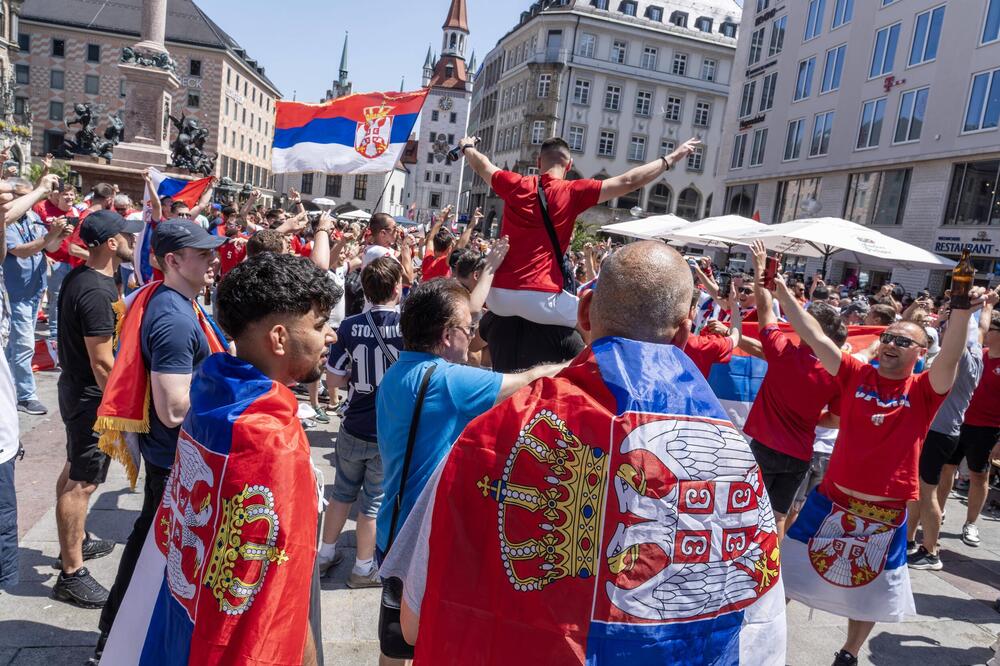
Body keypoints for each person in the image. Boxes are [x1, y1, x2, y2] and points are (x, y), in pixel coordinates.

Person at [380, 241, 785, 664]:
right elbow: (759, 627)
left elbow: (413, 622)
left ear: (585, 309)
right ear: (685, 332)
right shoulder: (733, 458)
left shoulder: (493, 436)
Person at [101, 253, 338, 665]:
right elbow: (279, 586)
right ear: (279, 338)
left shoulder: (212, 390)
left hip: (188, 609)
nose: (330, 335)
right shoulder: (272, 437)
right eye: (319, 325)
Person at [776, 269, 983, 666]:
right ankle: (770, 628)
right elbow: (817, 337)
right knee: (791, 565)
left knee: (870, 588)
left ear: (920, 353)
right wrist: (785, 295)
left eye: (903, 341)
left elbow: (952, 356)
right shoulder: (855, 374)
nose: (890, 344)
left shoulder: (924, 390)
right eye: (888, 337)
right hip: (831, 501)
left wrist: (959, 314)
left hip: (883, 513)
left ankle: (849, 653)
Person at [94, 219, 227, 660]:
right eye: (203, 253)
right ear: (172, 260)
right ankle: (117, 637)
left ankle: (117, 635)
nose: (214, 259)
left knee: (152, 546)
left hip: (172, 457)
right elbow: (173, 408)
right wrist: (237, 406)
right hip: (174, 460)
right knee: (156, 552)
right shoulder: (172, 317)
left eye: (214, 251)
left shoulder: (174, 301)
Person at [374, 278, 568, 563]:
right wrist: (592, 357)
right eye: (469, 329)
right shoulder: (447, 381)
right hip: (422, 539)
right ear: (448, 335)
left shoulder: (397, 371)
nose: (473, 335)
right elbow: (530, 379)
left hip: (392, 530)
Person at [459, 134, 699, 328]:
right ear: (569, 165)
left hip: (498, 296)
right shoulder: (573, 191)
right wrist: (672, 158)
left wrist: (468, 146)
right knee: (598, 323)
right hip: (542, 297)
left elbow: (482, 166)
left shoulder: (515, 184)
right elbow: (629, 182)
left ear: (537, 162)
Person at [51, 210, 143, 608]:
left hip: (79, 391)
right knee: (83, 484)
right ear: (110, 244)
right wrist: (120, 408)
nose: (132, 240)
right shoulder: (93, 290)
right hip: (91, 397)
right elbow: (102, 361)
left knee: (75, 468)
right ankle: (71, 574)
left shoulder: (102, 278)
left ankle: (76, 542)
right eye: (126, 235)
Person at [742, 242, 847, 539]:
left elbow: (764, 308)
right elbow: (836, 420)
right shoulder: (837, 372)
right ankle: (773, 573)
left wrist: (762, 268)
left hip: (764, 446)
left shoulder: (784, 353)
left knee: (750, 509)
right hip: (800, 454)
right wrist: (810, 418)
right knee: (779, 514)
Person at [318, 256, 404, 586]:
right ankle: (363, 567)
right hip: (389, 428)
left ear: (364, 289)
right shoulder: (406, 326)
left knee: (342, 492)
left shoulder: (350, 326)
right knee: (373, 503)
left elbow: (335, 381)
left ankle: (325, 554)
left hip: (354, 423)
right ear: (398, 288)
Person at [907, 294, 996, 569]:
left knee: (926, 492)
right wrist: (983, 307)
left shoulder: (961, 360)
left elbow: (972, 331)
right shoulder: (974, 354)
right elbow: (979, 328)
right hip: (944, 430)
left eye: (950, 330)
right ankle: (909, 540)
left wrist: (963, 312)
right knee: (921, 490)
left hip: (942, 431)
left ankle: (930, 551)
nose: (945, 332)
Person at [938, 304, 1000, 549]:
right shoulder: (978, 353)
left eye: (991, 328)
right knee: (946, 469)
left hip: (988, 429)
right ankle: (938, 511)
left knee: (979, 475)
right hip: (959, 421)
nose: (986, 332)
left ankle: (970, 523)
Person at [3, 174, 66, 414]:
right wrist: (50, 236)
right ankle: (26, 395)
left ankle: (10, 389)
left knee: (15, 346)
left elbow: (49, 247)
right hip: (15, 291)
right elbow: (20, 251)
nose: (26, 201)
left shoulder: (32, 216)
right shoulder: (7, 221)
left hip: (33, 290)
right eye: (21, 196)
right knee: (24, 345)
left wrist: (58, 235)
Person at [33, 181, 82, 349]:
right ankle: (54, 334)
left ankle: (68, 331)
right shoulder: (46, 210)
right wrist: (44, 255)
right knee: (56, 298)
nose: (69, 197)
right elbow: (38, 236)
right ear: (57, 196)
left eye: (71, 194)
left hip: (74, 261)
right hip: (55, 262)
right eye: (65, 194)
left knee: (71, 298)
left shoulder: (77, 212)